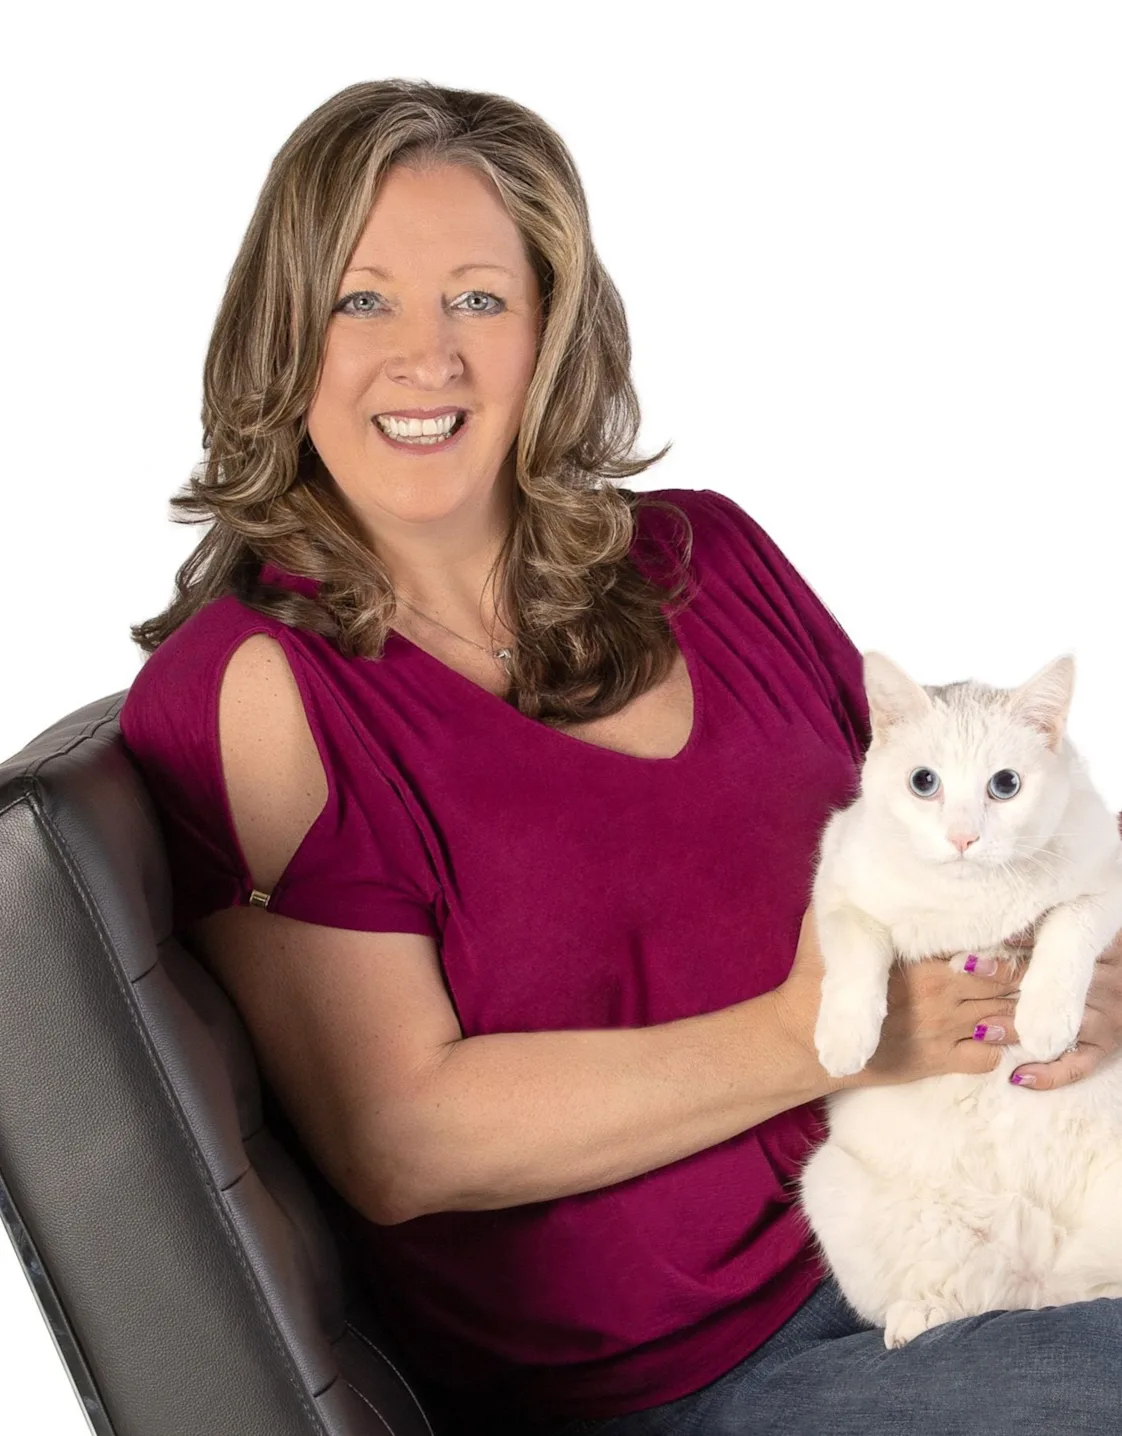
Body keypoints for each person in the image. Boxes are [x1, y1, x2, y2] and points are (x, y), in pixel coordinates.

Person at [118, 78, 1122, 1436]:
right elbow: (402, 1140)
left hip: (995, 1213)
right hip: (696, 1375)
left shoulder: (711, 559)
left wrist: (1083, 974)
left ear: (549, 334)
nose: (428, 357)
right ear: (282, 333)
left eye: (479, 297)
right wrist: (807, 1040)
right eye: (363, 300)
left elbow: (932, 861)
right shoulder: (256, 689)